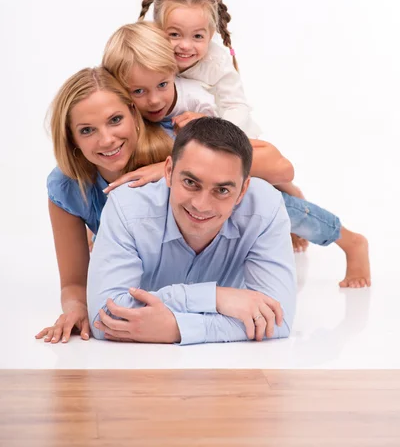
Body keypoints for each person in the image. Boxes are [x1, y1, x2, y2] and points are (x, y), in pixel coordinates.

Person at [102, 20, 371, 289]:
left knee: (284, 207)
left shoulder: (194, 102)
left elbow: (229, 157)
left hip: (226, 176)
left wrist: (163, 166)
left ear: (174, 72)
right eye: (138, 91)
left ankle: (349, 241)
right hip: (187, 199)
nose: (154, 100)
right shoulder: (121, 124)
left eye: (162, 85)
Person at [88, 117, 297, 344]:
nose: (201, 205)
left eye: (222, 190)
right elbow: (104, 319)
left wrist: (176, 329)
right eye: (190, 183)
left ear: (243, 189)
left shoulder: (265, 208)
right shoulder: (127, 207)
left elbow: (277, 320)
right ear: (168, 171)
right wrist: (215, 297)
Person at [35, 67, 172, 344]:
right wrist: (77, 307)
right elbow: (74, 281)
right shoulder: (67, 185)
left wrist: (175, 167)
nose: (107, 139)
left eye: (115, 120)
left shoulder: (171, 148)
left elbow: (264, 168)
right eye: (87, 130)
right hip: (131, 277)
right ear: (72, 137)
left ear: (134, 114)